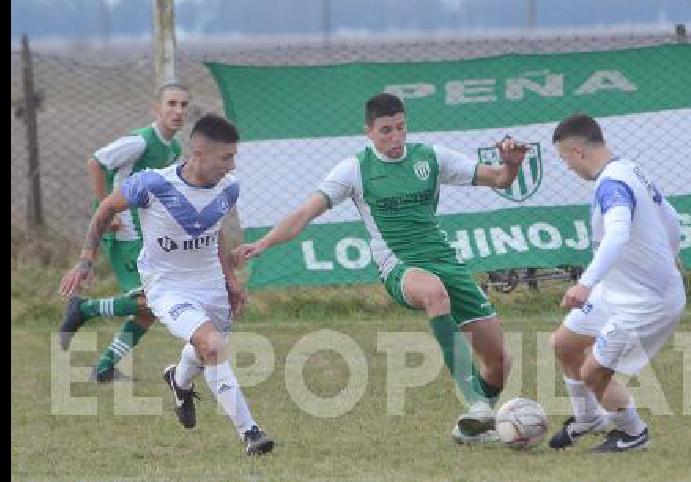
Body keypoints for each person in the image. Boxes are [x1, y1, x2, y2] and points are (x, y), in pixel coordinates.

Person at [231, 92, 529, 444]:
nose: (395, 138)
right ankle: (477, 405)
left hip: (446, 261)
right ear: (369, 132)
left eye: (401, 128)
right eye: (386, 130)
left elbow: (499, 179)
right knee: (433, 292)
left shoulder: (430, 158)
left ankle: (475, 430)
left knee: (499, 361)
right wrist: (264, 243)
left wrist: (511, 164)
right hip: (400, 267)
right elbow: (303, 214)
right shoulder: (355, 169)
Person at [59, 114, 274, 456]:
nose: (232, 165)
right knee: (213, 346)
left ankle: (179, 379)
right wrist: (85, 260)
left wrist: (231, 281)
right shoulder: (152, 184)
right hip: (168, 287)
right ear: (198, 154)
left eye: (234, 156)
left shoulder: (229, 187)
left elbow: (212, 229)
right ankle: (251, 432)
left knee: (206, 349)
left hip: (211, 285)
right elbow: (105, 210)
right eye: (226, 157)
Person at [547, 113, 685, 453]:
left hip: (645, 301)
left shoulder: (612, 184)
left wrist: (585, 283)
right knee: (564, 343)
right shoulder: (630, 169)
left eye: (564, 159)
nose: (567, 167)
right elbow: (671, 217)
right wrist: (672, 253)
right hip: (617, 289)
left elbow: (618, 233)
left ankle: (632, 432)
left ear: (578, 152)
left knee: (594, 372)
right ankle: (589, 419)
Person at [58, 82, 189, 383]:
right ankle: (84, 308)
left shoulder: (173, 147)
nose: (178, 110)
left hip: (144, 230)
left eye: (183, 105)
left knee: (148, 308)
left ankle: (104, 368)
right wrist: (108, 207)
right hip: (124, 229)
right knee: (151, 300)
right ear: (156, 109)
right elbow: (96, 162)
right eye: (171, 104)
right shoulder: (140, 142)